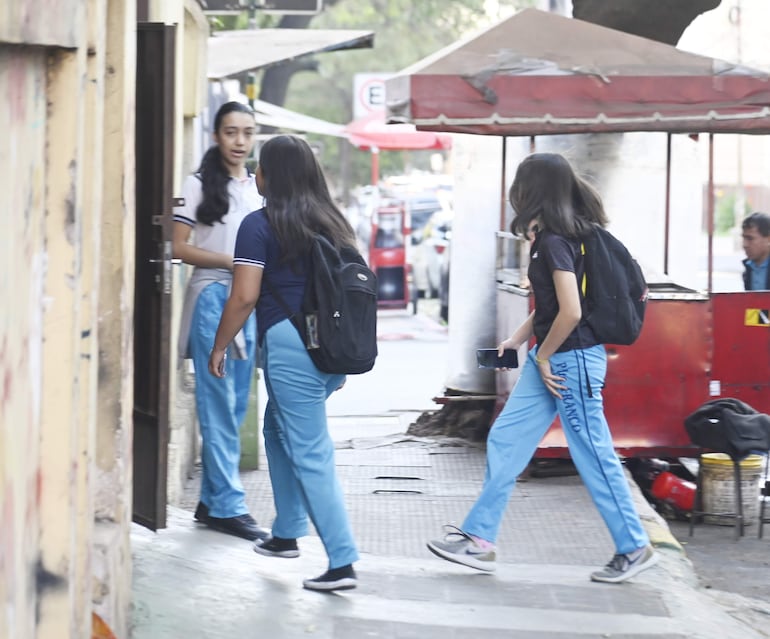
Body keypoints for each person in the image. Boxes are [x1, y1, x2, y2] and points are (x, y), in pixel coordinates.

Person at [426, 152, 659, 584]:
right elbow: (554, 306)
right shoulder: (565, 236)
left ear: (532, 190)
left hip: (570, 361)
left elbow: (571, 311)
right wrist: (519, 340)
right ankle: (479, 540)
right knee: (506, 439)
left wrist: (546, 354)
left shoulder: (556, 241)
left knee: (593, 454)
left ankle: (634, 546)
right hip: (549, 358)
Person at [208, 135, 360, 592]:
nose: (255, 173)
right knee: (277, 430)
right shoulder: (333, 221)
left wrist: (219, 346)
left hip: (291, 347)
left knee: (311, 451)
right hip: (332, 349)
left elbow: (244, 295)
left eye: (260, 167)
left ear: (272, 176)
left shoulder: (259, 225)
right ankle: (287, 532)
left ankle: (342, 562)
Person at [173, 101, 269, 542]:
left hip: (246, 300)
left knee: (233, 405)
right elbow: (178, 246)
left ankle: (212, 503)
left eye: (247, 133)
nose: (240, 142)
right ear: (216, 136)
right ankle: (228, 505)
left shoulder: (256, 187)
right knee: (217, 405)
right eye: (231, 132)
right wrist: (233, 262)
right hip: (213, 295)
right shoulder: (197, 185)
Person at [741, 212, 770, 290]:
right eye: (744, 238)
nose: (745, 245)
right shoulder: (748, 269)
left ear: (768, 239)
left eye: (750, 238)